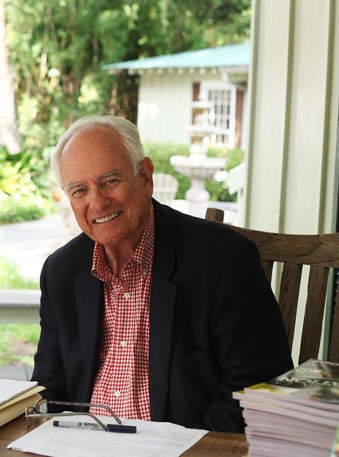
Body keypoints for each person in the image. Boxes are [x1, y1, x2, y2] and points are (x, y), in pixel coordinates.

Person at [31, 114, 293, 432]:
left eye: (110, 181)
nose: (97, 202)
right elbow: (48, 391)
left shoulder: (224, 260)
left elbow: (257, 391)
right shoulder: (61, 272)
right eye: (79, 190)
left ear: (145, 177)